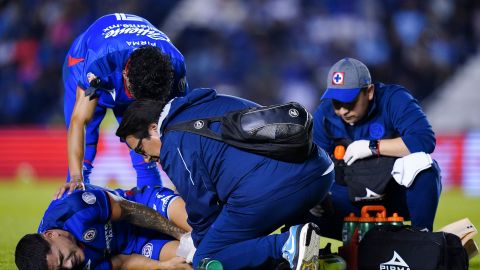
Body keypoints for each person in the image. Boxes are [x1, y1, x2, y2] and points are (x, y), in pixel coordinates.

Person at [115, 56, 335, 269]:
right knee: (239, 241)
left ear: (154, 128)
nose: (145, 158)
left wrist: (197, 242)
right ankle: (310, 253)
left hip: (279, 187)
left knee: (208, 258)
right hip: (320, 172)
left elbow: (202, 210)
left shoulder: (173, 143)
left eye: (140, 149)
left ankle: (287, 244)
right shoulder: (208, 102)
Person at [312, 57, 442, 239]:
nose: (342, 111)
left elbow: (424, 139)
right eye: (336, 102)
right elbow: (313, 165)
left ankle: (421, 240)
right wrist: (313, 196)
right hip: (348, 198)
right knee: (296, 198)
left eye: (349, 101)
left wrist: (373, 147)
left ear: (370, 91)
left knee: (424, 165)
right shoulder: (324, 114)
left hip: (394, 193)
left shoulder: (394, 99)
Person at [63, 13, 188, 194]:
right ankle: (74, 205)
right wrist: (75, 177)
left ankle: (157, 209)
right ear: (125, 74)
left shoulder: (176, 65)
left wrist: (184, 185)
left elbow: (181, 128)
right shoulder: (101, 61)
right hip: (83, 63)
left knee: (145, 149)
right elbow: (79, 120)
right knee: (86, 150)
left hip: (132, 70)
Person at [16, 184, 193, 270]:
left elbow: (132, 211)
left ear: (51, 234)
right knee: (196, 259)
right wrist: (162, 266)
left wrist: (183, 236)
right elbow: (122, 262)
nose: (69, 266)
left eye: (63, 258)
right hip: (136, 246)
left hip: (143, 205)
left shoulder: (75, 209)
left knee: (198, 230)